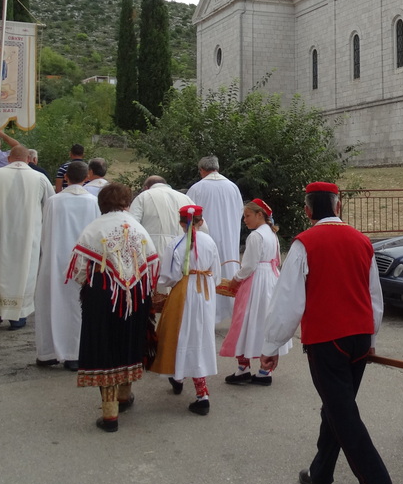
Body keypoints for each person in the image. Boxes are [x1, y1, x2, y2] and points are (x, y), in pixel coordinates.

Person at [260, 182, 399, 484]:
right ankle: (320, 474)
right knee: (337, 408)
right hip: (359, 337)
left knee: (342, 413)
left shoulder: (304, 243)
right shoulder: (362, 240)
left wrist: (271, 344)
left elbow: (289, 300)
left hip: (328, 339)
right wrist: (372, 337)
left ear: (308, 211)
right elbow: (373, 296)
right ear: (338, 207)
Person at [68, 184, 159, 433]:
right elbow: (152, 263)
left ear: (102, 204)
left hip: (102, 296)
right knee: (129, 341)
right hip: (137, 296)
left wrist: (93, 285)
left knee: (103, 345)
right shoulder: (138, 228)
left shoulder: (94, 228)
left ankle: (110, 415)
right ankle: (124, 395)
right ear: (127, 202)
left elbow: (79, 269)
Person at [0, 145, 54, 330]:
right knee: (24, 271)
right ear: (29, 159)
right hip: (27, 235)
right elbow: (49, 204)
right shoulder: (39, 178)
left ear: (9, 158)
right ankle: (18, 316)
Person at [151, 205, 220, 413]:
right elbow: (216, 274)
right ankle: (197, 389)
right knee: (200, 336)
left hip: (184, 291)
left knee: (179, 334)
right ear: (200, 221)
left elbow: (169, 276)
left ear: (181, 223)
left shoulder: (176, 243)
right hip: (206, 292)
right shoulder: (210, 241)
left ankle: (184, 381)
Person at [34, 160, 100, 369]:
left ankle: (48, 352)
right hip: (82, 260)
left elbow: (44, 230)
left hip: (55, 258)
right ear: (86, 178)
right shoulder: (93, 202)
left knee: (51, 303)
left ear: (66, 178)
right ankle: (74, 353)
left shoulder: (54, 201)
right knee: (77, 305)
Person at [220, 198, 290, 386]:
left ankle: (243, 368)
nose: (245, 220)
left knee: (246, 321)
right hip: (271, 280)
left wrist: (235, 280)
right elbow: (277, 261)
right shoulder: (271, 235)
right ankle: (264, 370)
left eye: (247, 216)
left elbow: (249, 265)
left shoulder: (256, 236)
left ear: (260, 215)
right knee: (263, 322)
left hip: (256, 282)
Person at [185, 155, 243, 322]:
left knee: (208, 273)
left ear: (202, 170)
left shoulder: (197, 188)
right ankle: (232, 313)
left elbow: (190, 214)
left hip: (206, 238)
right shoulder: (233, 187)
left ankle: (209, 313)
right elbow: (240, 212)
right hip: (229, 235)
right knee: (228, 270)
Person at [129, 175, 190, 259]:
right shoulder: (186, 198)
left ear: (146, 188)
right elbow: (200, 225)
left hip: (153, 249)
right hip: (182, 248)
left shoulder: (143, 196)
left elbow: (131, 224)